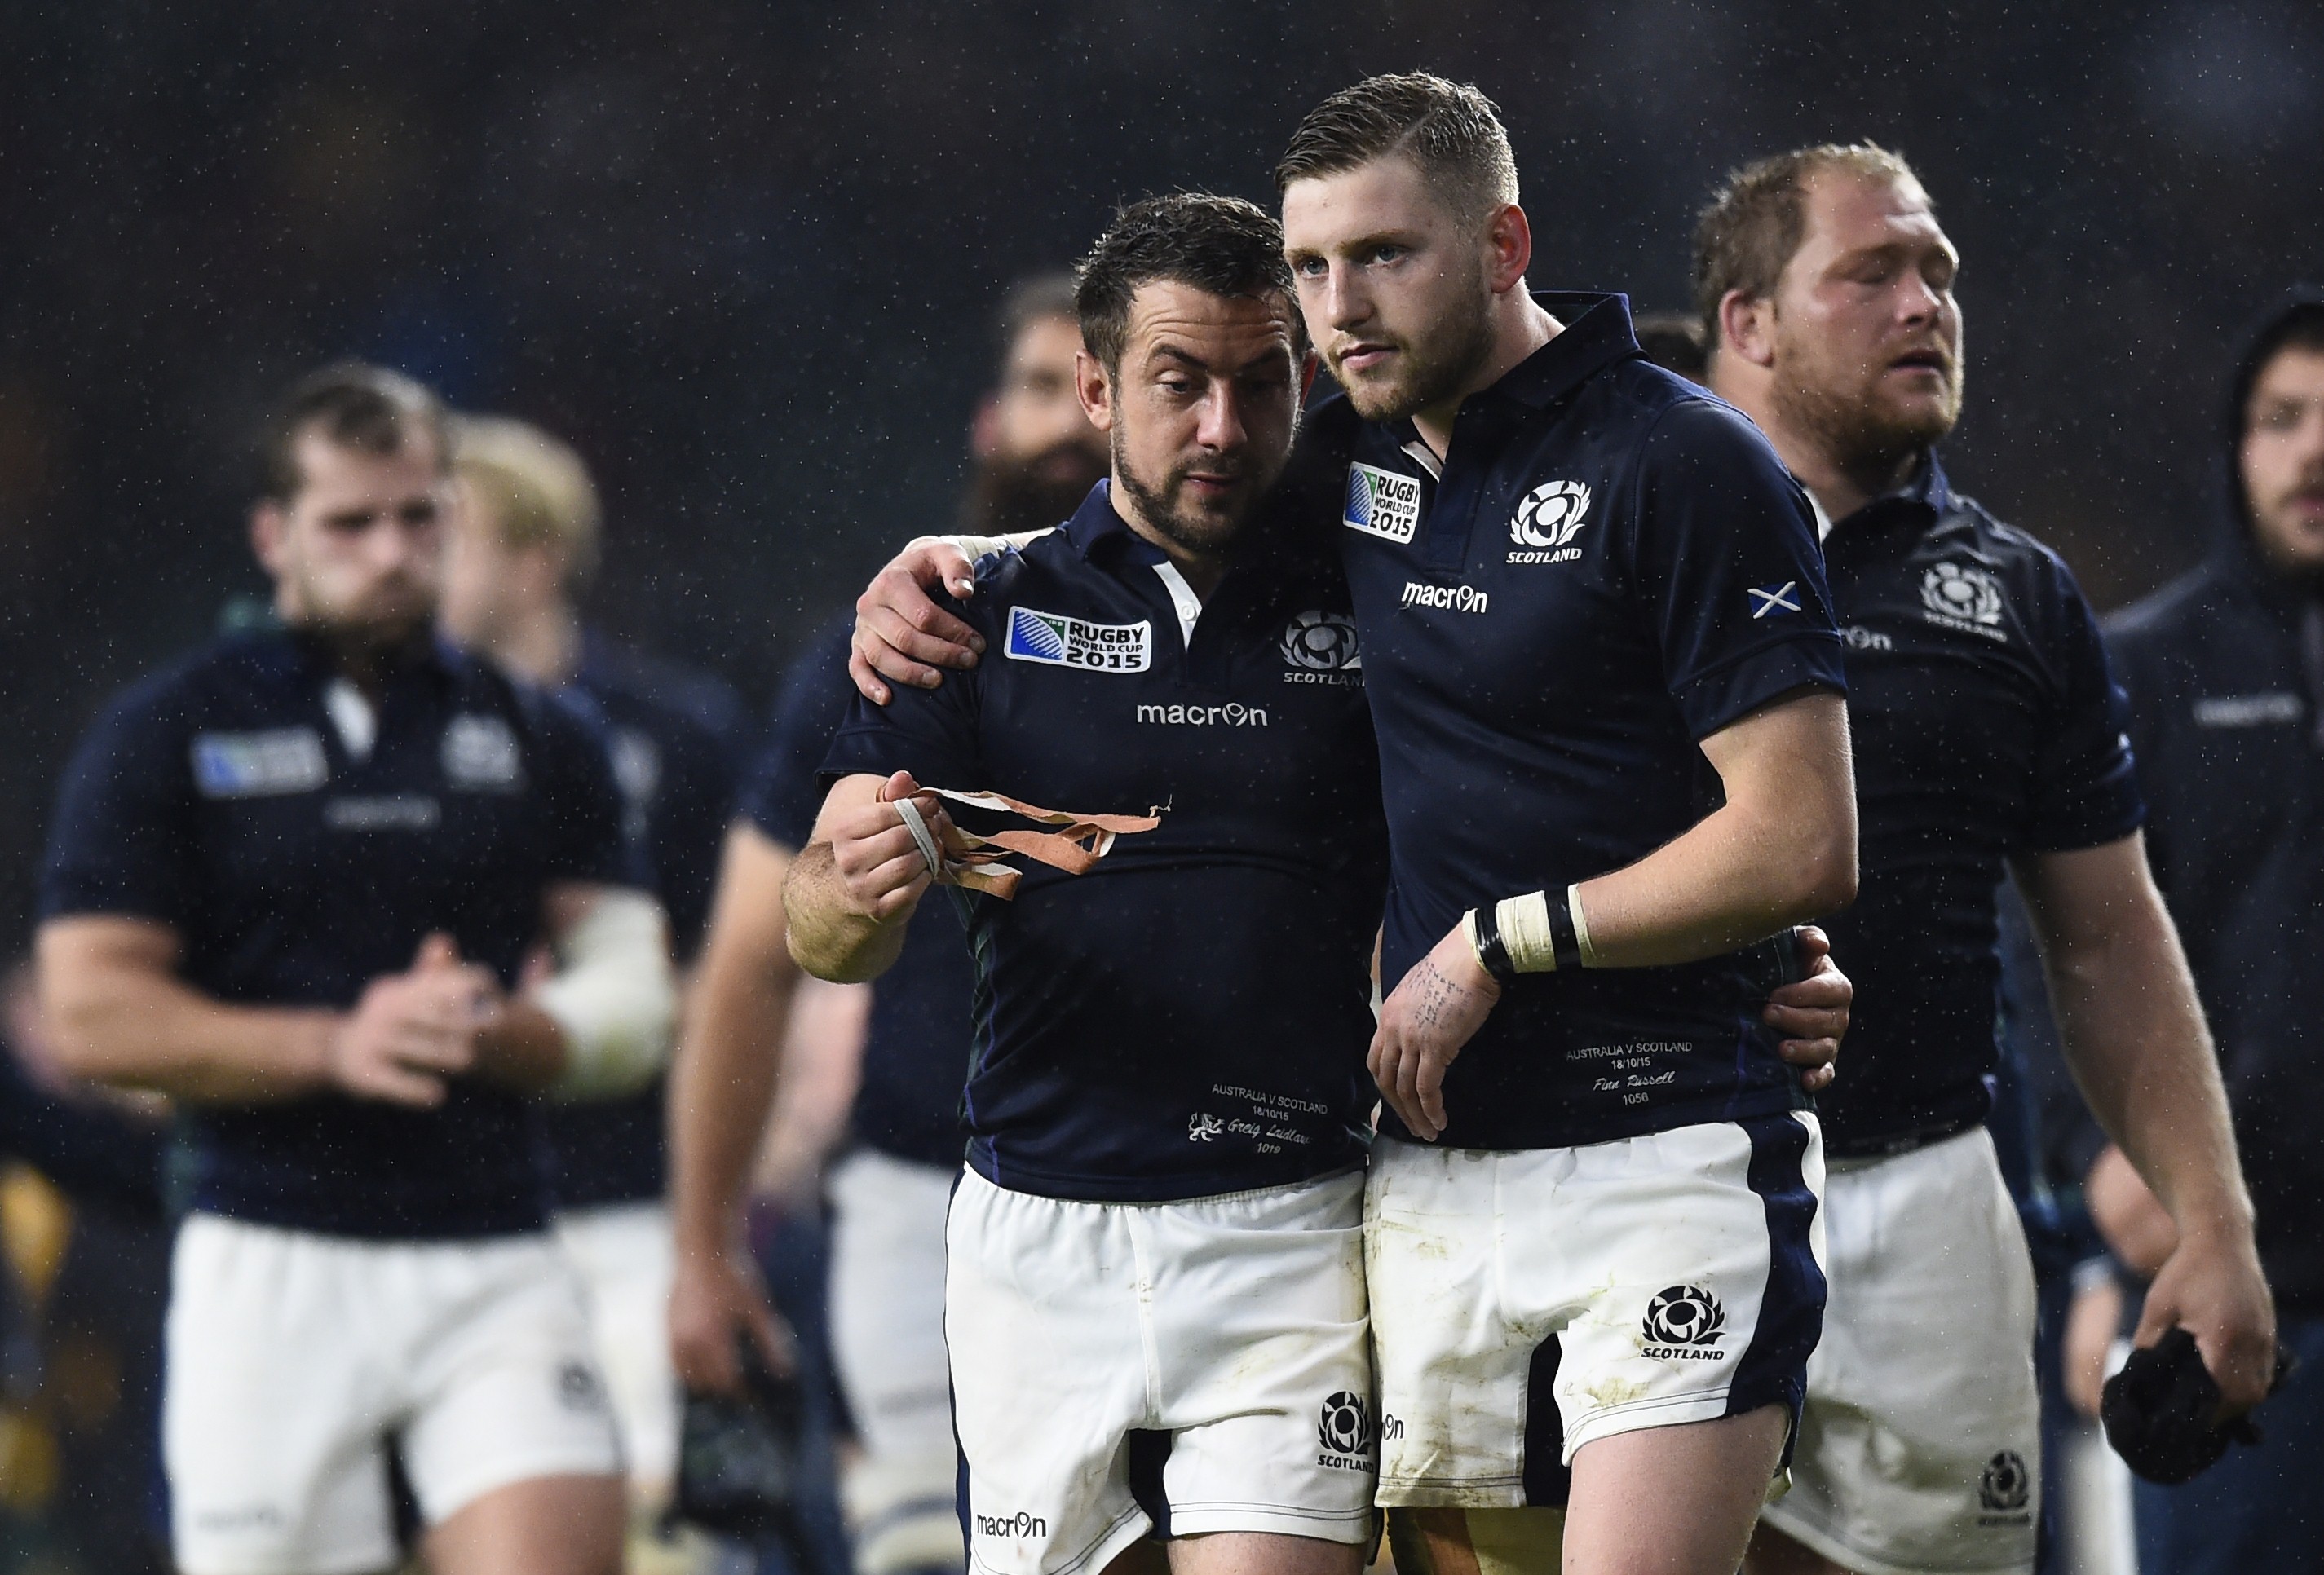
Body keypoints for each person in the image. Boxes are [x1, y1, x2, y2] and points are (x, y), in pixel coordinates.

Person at [850, 74, 1863, 1575]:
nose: (1340, 310)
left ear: (1504, 244)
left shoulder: (1684, 460)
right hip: (1425, 1175)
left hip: (1666, 1143)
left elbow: (1800, 842)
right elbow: (1149, 509)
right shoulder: (1352, 458)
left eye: (1385, 255)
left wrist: (1494, 949)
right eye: (1315, 269)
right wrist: (950, 565)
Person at [1689, 144, 2278, 1575]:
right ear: (1746, 322)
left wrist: (2210, 1220)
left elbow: (2104, 934)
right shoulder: (1621, 548)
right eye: (1870, 273)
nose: (1924, 305)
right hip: (1659, 1179)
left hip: (1931, 1204)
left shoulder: (2013, 593)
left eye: (1938, 273)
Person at [36, 364, 676, 1575]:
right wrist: (339, 1044)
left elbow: (632, 1000)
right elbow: (89, 1013)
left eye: (418, 516)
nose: (390, 552)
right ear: (275, 536)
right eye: (350, 522)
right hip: (271, 1262)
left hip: (496, 1251)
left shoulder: (546, 733)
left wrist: (499, 1034)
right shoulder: (167, 731)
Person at [666, 274, 1107, 1575]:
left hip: (1209, 1186)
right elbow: (752, 965)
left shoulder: (1260, 636)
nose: (1064, 427)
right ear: (984, 425)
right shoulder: (893, 642)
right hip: (923, 1191)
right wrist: (702, 1249)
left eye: (1092, 387)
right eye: (1038, 388)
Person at [439, 412, 749, 1517]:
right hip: (456, 1207)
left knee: (661, 1517)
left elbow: (743, 963)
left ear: (536, 559)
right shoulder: (386, 743)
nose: (417, 565)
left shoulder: (678, 733)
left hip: (635, 1195)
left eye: (450, 536)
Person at [2086, 290, 2324, 1574]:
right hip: (2242, 1300)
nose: (2312, 453)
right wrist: (2085, 1197)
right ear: (2233, 447)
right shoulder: (2148, 665)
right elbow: (2060, 942)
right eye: (2280, 419)